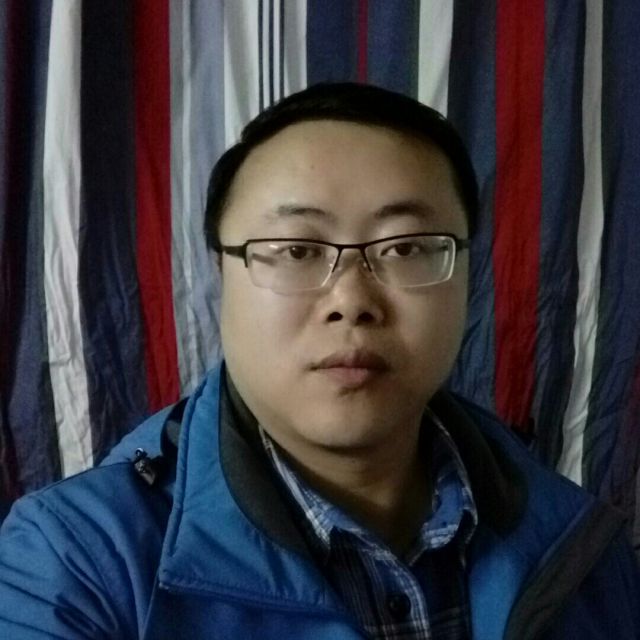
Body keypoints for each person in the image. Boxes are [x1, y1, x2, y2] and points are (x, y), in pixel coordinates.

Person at [0, 83, 638, 640]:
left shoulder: (580, 544)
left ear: (467, 274)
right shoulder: (73, 563)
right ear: (221, 273)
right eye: (297, 250)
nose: (352, 301)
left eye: (406, 247)